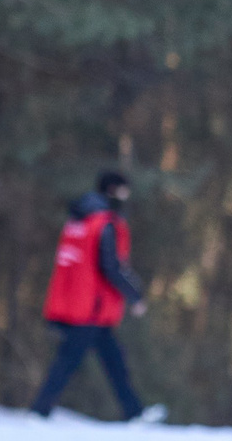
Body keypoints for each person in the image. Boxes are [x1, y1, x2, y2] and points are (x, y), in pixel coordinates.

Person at [30, 170, 145, 421]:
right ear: (114, 190)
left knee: (114, 360)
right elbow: (111, 266)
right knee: (68, 361)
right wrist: (135, 295)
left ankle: (134, 411)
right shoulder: (104, 224)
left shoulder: (79, 221)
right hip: (91, 307)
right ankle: (39, 411)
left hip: (79, 303)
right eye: (124, 190)